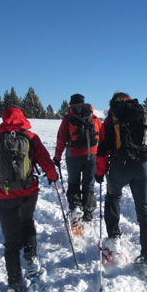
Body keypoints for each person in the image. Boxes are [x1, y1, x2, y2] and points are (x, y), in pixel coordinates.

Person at [0, 107, 58, 292]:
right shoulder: (31, 137)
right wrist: (53, 176)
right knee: (27, 223)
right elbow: (46, 162)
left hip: (5, 194)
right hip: (29, 192)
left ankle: (15, 284)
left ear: (3, 119)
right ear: (23, 118)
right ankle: (31, 260)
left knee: (11, 241)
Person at [95, 92, 147, 265]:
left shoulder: (111, 118)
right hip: (142, 169)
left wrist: (100, 172)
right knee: (144, 210)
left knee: (112, 198)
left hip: (119, 167)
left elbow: (102, 150)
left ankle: (113, 241)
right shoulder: (142, 114)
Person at [53, 94, 102, 226]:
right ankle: (88, 212)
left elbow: (61, 139)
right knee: (89, 185)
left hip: (73, 155)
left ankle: (75, 208)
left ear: (71, 104)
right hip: (92, 155)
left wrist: (57, 157)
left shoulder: (68, 118)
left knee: (74, 183)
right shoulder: (94, 118)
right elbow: (102, 137)